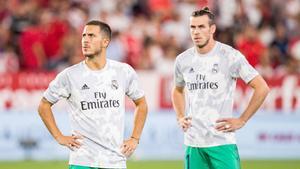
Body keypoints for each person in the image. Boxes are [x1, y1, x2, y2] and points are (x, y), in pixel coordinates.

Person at [38, 20, 148, 169]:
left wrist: (135, 138)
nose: (85, 40)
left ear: (105, 42)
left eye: (91, 36)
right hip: (82, 161)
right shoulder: (70, 75)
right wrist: (59, 137)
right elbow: (44, 105)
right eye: (84, 36)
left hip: (115, 161)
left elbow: (141, 103)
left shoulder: (123, 71)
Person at [171, 7, 270, 169]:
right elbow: (177, 89)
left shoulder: (230, 56)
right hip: (193, 143)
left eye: (201, 27)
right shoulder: (183, 60)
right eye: (193, 27)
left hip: (222, 143)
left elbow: (262, 87)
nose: (196, 32)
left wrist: (242, 120)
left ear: (212, 29)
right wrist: (180, 116)